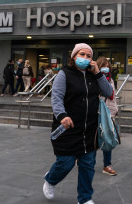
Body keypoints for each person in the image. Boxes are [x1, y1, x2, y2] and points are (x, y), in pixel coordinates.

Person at [43, 43, 113, 204]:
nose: (85, 58)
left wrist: (97, 74)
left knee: (88, 166)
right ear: (74, 57)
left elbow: (109, 93)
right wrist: (62, 116)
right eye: (82, 54)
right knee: (65, 164)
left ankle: (85, 198)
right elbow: (56, 97)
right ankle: (50, 179)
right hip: (68, 128)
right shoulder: (64, 74)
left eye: (89, 56)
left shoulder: (93, 76)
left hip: (89, 130)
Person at [96, 57, 119, 176]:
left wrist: (115, 110)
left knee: (108, 138)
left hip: (109, 113)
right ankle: (85, 159)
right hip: (97, 112)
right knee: (94, 138)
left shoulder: (110, 80)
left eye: (107, 66)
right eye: (103, 65)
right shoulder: (95, 78)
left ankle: (107, 165)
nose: (106, 68)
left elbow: (112, 96)